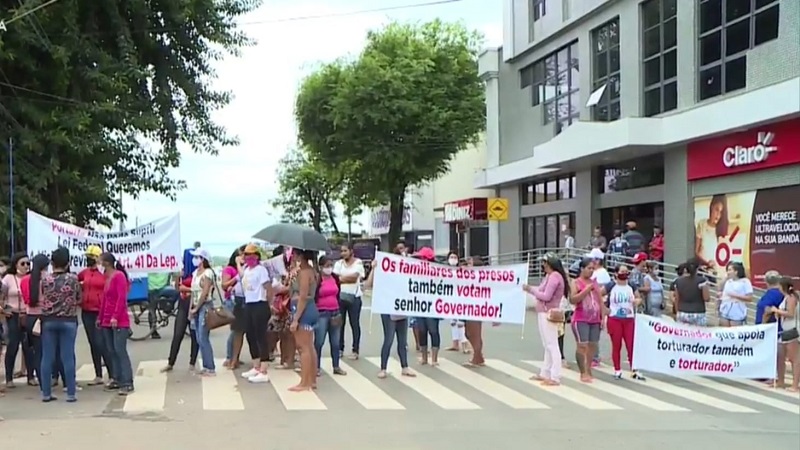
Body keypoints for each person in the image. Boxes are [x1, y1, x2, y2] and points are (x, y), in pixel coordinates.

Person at [37, 247, 82, 402]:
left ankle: (46, 393)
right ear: (68, 263)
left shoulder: (45, 280)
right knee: (67, 356)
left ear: (52, 262)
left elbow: (42, 297)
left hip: (48, 320)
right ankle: (70, 393)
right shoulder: (73, 279)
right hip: (68, 321)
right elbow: (78, 298)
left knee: (47, 357)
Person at [364, 256, 416, 378]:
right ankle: (383, 368)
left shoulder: (404, 276)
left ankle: (405, 367)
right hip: (388, 311)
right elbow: (367, 285)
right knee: (389, 339)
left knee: (402, 342)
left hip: (402, 310)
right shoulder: (383, 276)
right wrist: (373, 269)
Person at [524, 253, 569, 386]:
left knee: (552, 344)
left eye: (544, 262)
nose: (542, 265)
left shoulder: (555, 277)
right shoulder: (549, 276)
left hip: (549, 312)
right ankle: (546, 372)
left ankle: (555, 376)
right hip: (543, 311)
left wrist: (530, 290)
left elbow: (546, 296)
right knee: (547, 344)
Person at [98, 253, 134, 394]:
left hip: (119, 320)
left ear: (106, 263)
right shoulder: (108, 278)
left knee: (120, 351)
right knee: (111, 351)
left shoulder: (119, 276)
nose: (99, 265)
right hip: (107, 320)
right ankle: (117, 378)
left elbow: (121, 298)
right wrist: (100, 318)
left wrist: (115, 316)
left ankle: (127, 381)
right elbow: (105, 300)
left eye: (100, 262)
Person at [238, 244, 273, 383]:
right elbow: (241, 276)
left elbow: (268, 288)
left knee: (261, 336)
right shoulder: (247, 270)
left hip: (260, 303)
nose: (249, 257)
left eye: (252, 255)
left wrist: (269, 304)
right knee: (250, 335)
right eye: (246, 255)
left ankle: (264, 368)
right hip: (249, 303)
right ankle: (256, 365)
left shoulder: (261, 270)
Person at [78, 245, 112, 385]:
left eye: (91, 257)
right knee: (92, 343)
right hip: (86, 311)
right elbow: (76, 282)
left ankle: (112, 374)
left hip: (100, 311)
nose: (88, 260)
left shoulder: (104, 273)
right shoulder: (84, 273)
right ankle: (98, 374)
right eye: (87, 257)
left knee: (101, 343)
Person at [288, 247, 320, 391]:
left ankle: (305, 382)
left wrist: (296, 319)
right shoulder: (311, 271)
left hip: (304, 310)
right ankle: (311, 379)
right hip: (311, 309)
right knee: (309, 346)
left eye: (294, 254)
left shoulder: (305, 273)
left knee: (303, 348)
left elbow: (302, 296)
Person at [605, 264, 645, 381]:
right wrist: (604, 309)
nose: (624, 274)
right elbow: (598, 294)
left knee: (631, 345)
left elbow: (638, 297)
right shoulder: (611, 285)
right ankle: (617, 369)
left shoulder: (631, 285)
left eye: (626, 271)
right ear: (616, 273)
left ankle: (634, 369)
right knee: (616, 345)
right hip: (615, 319)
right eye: (622, 271)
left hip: (629, 319)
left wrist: (637, 301)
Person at [570, 258, 605, 383]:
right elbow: (573, 299)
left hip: (595, 319)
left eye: (592, 269)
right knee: (582, 345)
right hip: (581, 318)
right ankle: (582, 371)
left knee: (593, 345)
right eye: (588, 268)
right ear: (582, 269)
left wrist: (602, 317)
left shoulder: (595, 283)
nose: (591, 271)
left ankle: (588, 367)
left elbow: (600, 301)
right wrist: (586, 290)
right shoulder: (576, 282)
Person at [3, 252, 32, 387]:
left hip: (27, 314)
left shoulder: (31, 277)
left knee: (29, 346)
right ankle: (9, 379)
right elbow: (1, 294)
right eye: (23, 263)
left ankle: (31, 377)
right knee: (13, 345)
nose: (26, 266)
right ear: (16, 265)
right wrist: (3, 308)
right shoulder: (8, 278)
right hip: (13, 314)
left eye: (28, 263)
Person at [188, 248, 218, 377]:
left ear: (202, 259)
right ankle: (207, 366)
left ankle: (210, 367)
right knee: (199, 337)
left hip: (205, 306)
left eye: (197, 257)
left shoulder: (208, 273)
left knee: (203, 336)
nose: (195, 259)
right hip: (196, 306)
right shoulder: (195, 273)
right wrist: (191, 308)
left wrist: (197, 307)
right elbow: (193, 292)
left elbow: (205, 292)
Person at [162, 270, 199, 373]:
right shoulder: (184, 271)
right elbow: (178, 288)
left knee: (194, 336)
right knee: (178, 334)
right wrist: (178, 276)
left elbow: (201, 289)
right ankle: (171, 362)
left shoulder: (199, 273)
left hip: (194, 305)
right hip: (183, 305)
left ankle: (192, 363)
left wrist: (188, 289)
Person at [315, 255, 346, 376]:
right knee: (319, 341)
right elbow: (314, 295)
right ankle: (316, 367)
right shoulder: (318, 279)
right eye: (327, 265)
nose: (329, 268)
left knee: (336, 342)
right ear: (321, 266)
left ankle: (336, 366)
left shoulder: (335, 278)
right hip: (322, 313)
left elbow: (338, 293)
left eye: (330, 265)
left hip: (335, 312)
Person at [334, 242, 365, 360]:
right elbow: (335, 279)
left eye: (345, 251)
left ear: (351, 251)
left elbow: (355, 277)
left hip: (354, 298)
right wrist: (343, 279)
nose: (343, 253)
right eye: (341, 251)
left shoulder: (358, 262)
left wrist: (342, 279)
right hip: (340, 297)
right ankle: (340, 348)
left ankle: (355, 350)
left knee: (354, 324)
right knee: (340, 324)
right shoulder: (338, 264)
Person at [768, 277, 799, 391]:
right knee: (781, 355)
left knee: (794, 358)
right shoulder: (786, 297)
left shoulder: (791, 298)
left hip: (792, 329)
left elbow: (790, 313)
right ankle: (781, 380)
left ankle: (795, 385)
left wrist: (776, 311)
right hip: (785, 329)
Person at [267, 245, 295, 368]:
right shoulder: (276, 270)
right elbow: (274, 288)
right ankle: (284, 359)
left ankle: (289, 360)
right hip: (279, 306)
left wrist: (285, 288)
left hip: (290, 305)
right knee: (280, 333)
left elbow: (291, 288)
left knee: (289, 334)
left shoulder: (296, 270)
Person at [413, 248, 442, 366]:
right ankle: (424, 358)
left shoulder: (438, 271)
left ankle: (434, 359)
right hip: (420, 305)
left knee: (433, 330)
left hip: (433, 306)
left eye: (421, 257)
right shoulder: (415, 271)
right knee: (422, 331)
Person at [221, 245, 246, 369]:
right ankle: (229, 356)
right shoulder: (230, 269)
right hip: (232, 300)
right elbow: (224, 285)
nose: (243, 257)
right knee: (235, 330)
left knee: (239, 330)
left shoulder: (244, 268)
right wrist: (235, 280)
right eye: (242, 255)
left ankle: (235, 356)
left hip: (242, 299)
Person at [673, 260, 710, 326]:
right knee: (698, 334)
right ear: (697, 269)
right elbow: (706, 298)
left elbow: (676, 299)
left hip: (682, 312)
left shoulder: (678, 281)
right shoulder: (702, 281)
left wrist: (677, 312)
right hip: (698, 313)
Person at [445, 251, 468, 353]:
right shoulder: (445, 270)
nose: (453, 259)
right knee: (453, 322)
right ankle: (455, 344)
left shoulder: (461, 271)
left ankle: (464, 345)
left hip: (460, 298)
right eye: (451, 257)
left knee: (460, 323)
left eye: (455, 257)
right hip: (450, 298)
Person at [718, 262, 753, 327]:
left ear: (736, 272)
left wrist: (735, 295)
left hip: (737, 312)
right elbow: (721, 291)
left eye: (730, 270)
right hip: (725, 311)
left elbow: (749, 298)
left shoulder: (745, 282)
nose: (728, 272)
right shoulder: (728, 281)